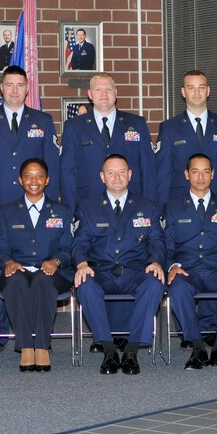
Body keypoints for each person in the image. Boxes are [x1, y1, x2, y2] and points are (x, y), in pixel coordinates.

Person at [0, 65, 59, 349]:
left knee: (26, 267)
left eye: (20, 85)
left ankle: (30, 329)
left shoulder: (42, 120)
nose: (14, 90)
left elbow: (51, 170)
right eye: (9, 85)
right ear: (1, 88)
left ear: (27, 88)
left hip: (32, 206)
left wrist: (52, 209)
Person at [72, 154, 165, 375]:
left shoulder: (148, 207)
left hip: (135, 271)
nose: (117, 177)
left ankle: (132, 351)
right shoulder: (87, 207)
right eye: (111, 173)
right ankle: (109, 350)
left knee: (154, 282)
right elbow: (79, 242)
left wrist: (156, 262)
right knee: (84, 283)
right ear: (102, 177)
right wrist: (82, 264)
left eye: (122, 172)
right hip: (101, 271)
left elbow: (158, 241)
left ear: (130, 175)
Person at [164, 154, 217, 370]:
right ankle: (197, 347)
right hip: (187, 272)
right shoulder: (173, 207)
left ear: (213, 174)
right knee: (178, 289)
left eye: (205, 171)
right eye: (195, 171)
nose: (200, 177)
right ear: (186, 174)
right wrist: (172, 266)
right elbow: (166, 245)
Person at [0, 159, 73, 372]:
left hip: (54, 272)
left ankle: (42, 346)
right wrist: (8, 262)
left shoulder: (63, 211)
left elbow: (69, 248)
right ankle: (26, 345)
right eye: (28, 176)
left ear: (47, 180)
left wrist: (56, 261)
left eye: (39, 176)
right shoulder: (7, 211)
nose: (34, 180)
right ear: (20, 180)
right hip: (17, 268)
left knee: (42, 280)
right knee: (16, 281)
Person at [60, 72, 157, 206]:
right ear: (90, 94)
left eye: (108, 90)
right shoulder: (73, 127)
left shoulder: (136, 124)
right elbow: (67, 172)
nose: (104, 94)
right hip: (87, 203)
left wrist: (149, 206)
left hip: (132, 203)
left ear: (116, 93)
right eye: (98, 90)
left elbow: (148, 169)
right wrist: (69, 211)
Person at [156, 70, 217, 211]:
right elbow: (163, 175)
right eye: (191, 88)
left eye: (201, 87)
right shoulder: (169, 128)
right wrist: (162, 212)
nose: (197, 93)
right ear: (183, 92)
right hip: (180, 205)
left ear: (208, 91)